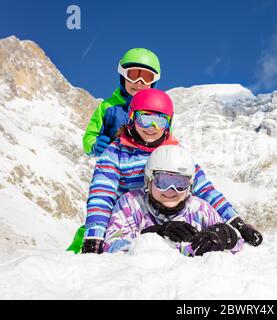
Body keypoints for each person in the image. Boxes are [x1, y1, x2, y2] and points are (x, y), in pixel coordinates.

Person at [80, 88, 262, 254]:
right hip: (131, 218)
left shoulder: (175, 154)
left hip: (175, 214)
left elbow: (206, 190)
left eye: (159, 121)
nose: (152, 128)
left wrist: (237, 225)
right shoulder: (116, 153)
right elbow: (102, 195)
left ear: (168, 123)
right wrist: (94, 238)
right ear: (132, 117)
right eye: (145, 119)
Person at [103, 145, 244, 256]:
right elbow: (112, 248)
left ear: (190, 185)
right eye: (163, 181)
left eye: (180, 183)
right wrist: (155, 234)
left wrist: (226, 235)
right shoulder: (131, 204)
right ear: (149, 180)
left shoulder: (200, 210)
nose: (171, 190)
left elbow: (238, 246)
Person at [82, 48, 161, 157]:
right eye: (133, 75)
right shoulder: (108, 108)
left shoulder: (158, 110)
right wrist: (93, 145)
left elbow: (166, 137)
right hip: (114, 167)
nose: (139, 82)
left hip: (145, 168)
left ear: (153, 82)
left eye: (146, 78)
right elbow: (90, 135)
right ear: (123, 76)